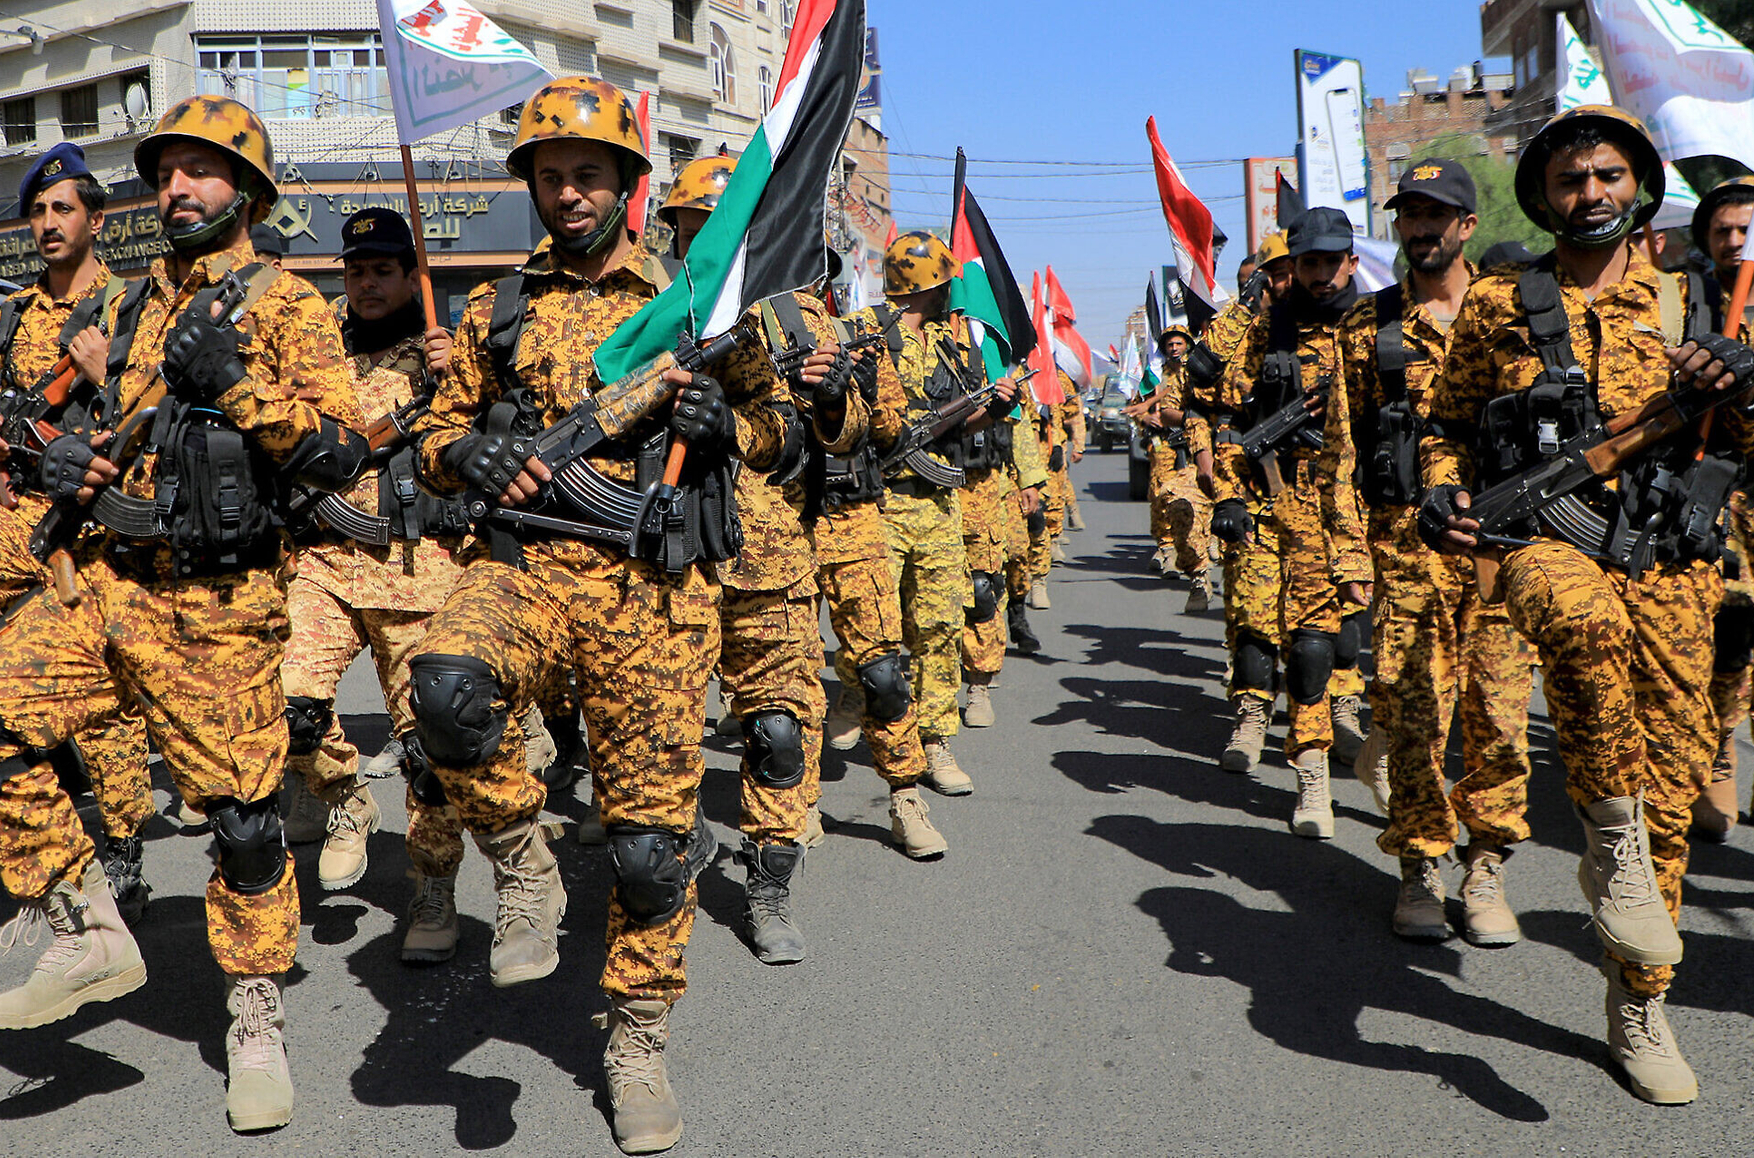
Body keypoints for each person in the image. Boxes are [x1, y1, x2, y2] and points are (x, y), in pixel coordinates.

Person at [406, 76, 793, 1154]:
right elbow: (431, 441)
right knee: (444, 691)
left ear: (628, 184)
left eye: (587, 175)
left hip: (651, 592)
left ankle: (636, 1038)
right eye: (549, 177)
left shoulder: (698, 303)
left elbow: (781, 430)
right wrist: (466, 451)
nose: (567, 194)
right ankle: (521, 860)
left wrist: (725, 426)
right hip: (525, 567)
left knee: (649, 855)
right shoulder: (499, 308)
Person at [0, 94, 369, 1132]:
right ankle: (83, 923)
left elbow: (341, 453)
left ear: (246, 190)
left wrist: (238, 386)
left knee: (244, 827)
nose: (176, 189)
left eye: (200, 170)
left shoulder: (287, 305)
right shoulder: (128, 306)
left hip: (220, 603)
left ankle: (254, 1012)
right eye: (164, 173)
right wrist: (66, 461)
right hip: (108, 579)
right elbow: (97, 426)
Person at [1420, 105, 1754, 1104]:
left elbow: (1741, 444)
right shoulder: (1499, 302)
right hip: (1541, 541)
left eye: (1607, 175)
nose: (1590, 193)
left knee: (1672, 789)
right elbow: (1445, 426)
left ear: (1639, 186)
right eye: (1570, 180)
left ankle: (1637, 1002)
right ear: (1542, 197)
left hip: (1672, 565)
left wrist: (1741, 389)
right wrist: (1439, 490)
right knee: (1579, 622)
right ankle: (1606, 839)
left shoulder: (1696, 297)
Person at [1322, 159, 1536, 945]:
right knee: (1414, 721)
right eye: (1409, 214)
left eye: (1435, 215)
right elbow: (1342, 454)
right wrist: (1350, 558)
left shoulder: (1516, 312)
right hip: (1407, 554)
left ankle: (1486, 865)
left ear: (1466, 226)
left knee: (1500, 720)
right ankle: (1419, 864)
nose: (1420, 228)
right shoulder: (1367, 326)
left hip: (1504, 550)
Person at [274, 205, 495, 967]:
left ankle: (432, 888)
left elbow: (501, 428)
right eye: (355, 270)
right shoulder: (316, 352)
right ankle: (344, 798)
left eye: (382, 271)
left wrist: (459, 375)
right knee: (288, 703)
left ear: (410, 276)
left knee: (429, 755)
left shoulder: (446, 349)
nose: (366, 283)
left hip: (418, 570)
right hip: (325, 564)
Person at [662, 156, 865, 961]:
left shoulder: (792, 315)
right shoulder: (642, 306)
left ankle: (770, 887)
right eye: (697, 229)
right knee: (657, 740)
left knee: (780, 732)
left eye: (729, 229)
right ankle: (682, 844)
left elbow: (835, 433)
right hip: (660, 554)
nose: (713, 243)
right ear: (676, 231)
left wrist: (828, 397)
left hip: (766, 553)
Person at [0, 142, 154, 923]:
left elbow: (159, 418)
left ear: (97, 219)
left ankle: (123, 843)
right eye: (38, 211)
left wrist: (105, 377)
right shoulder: (13, 316)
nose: (48, 223)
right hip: (17, 518)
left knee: (105, 700)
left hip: (92, 524)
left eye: (63, 209)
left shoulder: (135, 307)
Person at [1212, 207, 1372, 837]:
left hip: (1364, 508)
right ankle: (1312, 776)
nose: (1322, 274)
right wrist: (1229, 494)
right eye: (1309, 263)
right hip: (1286, 501)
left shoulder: (1381, 325)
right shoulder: (1267, 331)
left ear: (1352, 261)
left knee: (1355, 646)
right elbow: (1230, 418)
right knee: (1295, 644)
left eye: (1333, 261)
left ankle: (1376, 746)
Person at [847, 231, 1020, 797]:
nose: (951, 293)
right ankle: (871, 718)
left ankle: (936, 741)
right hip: (880, 505)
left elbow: (958, 427)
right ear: (929, 284)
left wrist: (995, 409)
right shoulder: (866, 333)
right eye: (946, 282)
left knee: (941, 627)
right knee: (877, 634)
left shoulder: (952, 344)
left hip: (940, 506)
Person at [1187, 234, 1293, 772]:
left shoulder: (1339, 328)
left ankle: (1335, 715)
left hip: (1325, 498)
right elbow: (1205, 398)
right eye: (1275, 274)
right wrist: (1217, 475)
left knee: (1324, 629)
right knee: (1253, 615)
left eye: (1296, 269)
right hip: (1253, 489)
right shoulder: (1243, 337)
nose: (1287, 282)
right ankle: (1252, 714)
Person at [1688, 176, 1754, 840]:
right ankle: (1719, 751)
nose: (1736, 242)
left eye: (1746, 230)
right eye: (1723, 231)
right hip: (1725, 494)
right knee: (1731, 629)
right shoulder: (1693, 304)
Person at [1132, 324, 1215, 610]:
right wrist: (1148, 418)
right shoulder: (1159, 374)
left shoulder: (1208, 369)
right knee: (1167, 496)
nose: (1174, 348)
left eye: (1179, 343)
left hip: (1218, 446)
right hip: (1170, 444)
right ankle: (1172, 552)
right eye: (1170, 344)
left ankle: (1211, 541)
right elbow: (1148, 407)